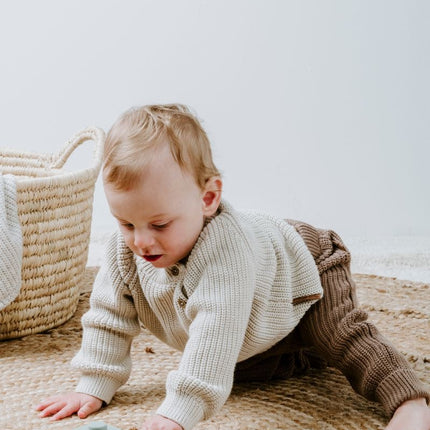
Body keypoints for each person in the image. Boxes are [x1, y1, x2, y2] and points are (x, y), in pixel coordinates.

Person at [36, 104, 430, 430]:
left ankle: (410, 402)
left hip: (305, 266)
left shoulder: (225, 251)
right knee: (240, 366)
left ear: (208, 198)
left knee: (337, 335)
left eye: (159, 224)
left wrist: (176, 413)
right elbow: (108, 317)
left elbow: (214, 331)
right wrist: (94, 385)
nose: (141, 241)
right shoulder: (126, 251)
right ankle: (299, 349)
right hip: (259, 312)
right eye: (126, 223)